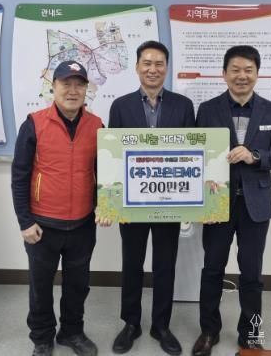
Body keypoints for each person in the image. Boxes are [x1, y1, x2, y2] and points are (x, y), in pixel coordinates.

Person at [191, 45, 271, 356]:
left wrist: (255, 156)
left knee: (251, 274)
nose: (242, 76)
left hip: (256, 205)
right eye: (235, 70)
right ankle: (209, 331)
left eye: (248, 70)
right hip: (217, 203)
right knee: (212, 269)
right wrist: (197, 202)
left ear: (257, 74)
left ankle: (250, 334)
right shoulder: (207, 109)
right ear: (224, 74)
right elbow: (196, 155)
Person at [107, 41, 195, 356]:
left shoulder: (183, 106)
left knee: (165, 265)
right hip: (132, 201)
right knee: (132, 263)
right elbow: (113, 154)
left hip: (169, 200)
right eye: (147, 63)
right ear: (137, 67)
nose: (153, 69)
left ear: (166, 68)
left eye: (159, 64)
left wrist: (190, 203)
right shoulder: (120, 106)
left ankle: (161, 325)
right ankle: (131, 323)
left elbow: (191, 154)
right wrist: (112, 202)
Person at [12, 60, 104, 356]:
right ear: (53, 87)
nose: (73, 91)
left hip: (82, 224)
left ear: (86, 90)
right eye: (66, 84)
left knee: (78, 286)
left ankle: (72, 332)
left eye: (79, 85)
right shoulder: (34, 123)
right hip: (42, 225)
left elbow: (104, 173)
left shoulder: (96, 126)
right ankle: (42, 337)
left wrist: (105, 206)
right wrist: (25, 221)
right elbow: (20, 175)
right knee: (40, 286)